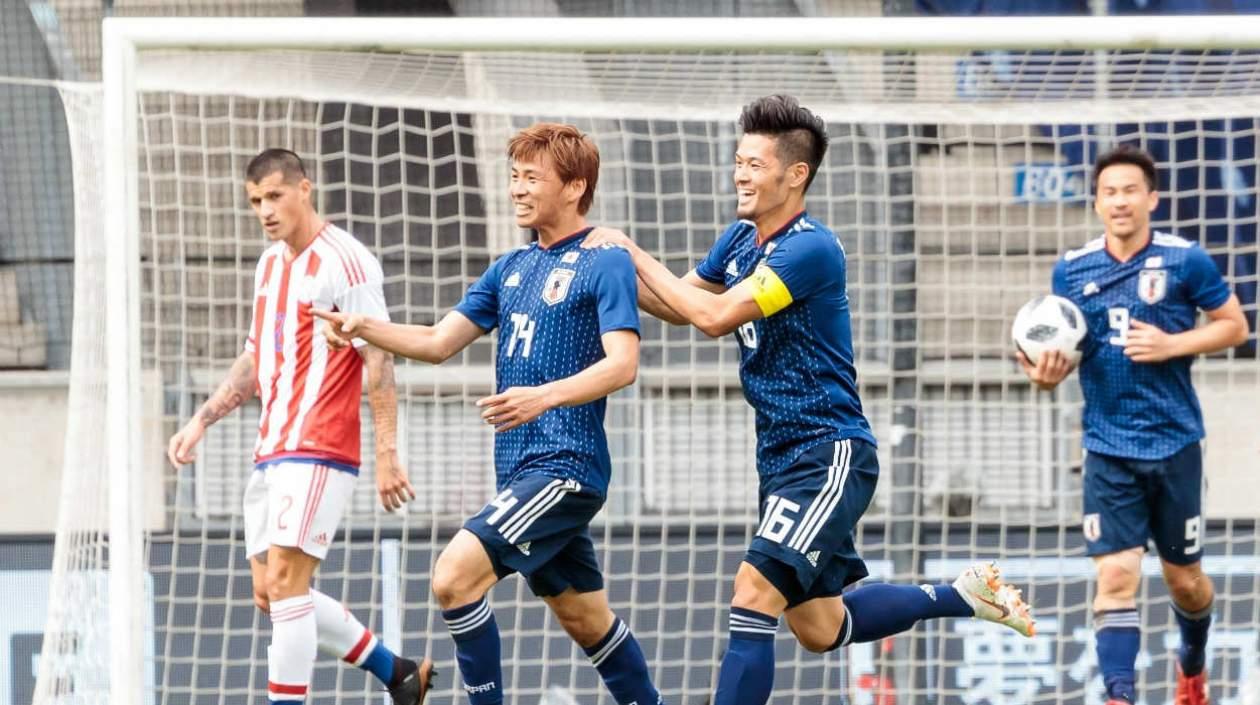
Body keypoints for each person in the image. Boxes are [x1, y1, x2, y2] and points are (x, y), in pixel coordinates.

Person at [583, 94, 1034, 705]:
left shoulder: (809, 248)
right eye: (738, 161)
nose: (740, 174)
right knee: (821, 628)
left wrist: (629, 249)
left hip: (830, 452)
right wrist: (603, 269)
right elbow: (678, 304)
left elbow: (713, 317)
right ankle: (962, 594)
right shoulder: (740, 239)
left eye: (754, 164)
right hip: (781, 458)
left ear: (795, 174)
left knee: (752, 591)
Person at [314, 123, 663, 705]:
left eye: (533, 178)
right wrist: (362, 328)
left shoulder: (604, 260)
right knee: (586, 620)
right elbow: (435, 341)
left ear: (575, 187)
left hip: (565, 468)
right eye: (514, 178)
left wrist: (543, 395)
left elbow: (623, 364)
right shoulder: (510, 268)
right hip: (522, 471)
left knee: (452, 577)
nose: (518, 190)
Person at [166, 148, 431, 705]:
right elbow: (254, 358)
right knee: (271, 593)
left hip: (321, 446)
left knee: (288, 585)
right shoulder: (268, 266)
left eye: (274, 196)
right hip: (273, 446)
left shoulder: (346, 261)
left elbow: (379, 357)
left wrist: (387, 450)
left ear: (304, 189)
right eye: (256, 201)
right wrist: (202, 420)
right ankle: (399, 673)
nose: (265, 210)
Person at [1018, 144, 1249, 705]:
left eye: (1129, 191)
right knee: (1115, 577)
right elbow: (1057, 352)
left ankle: (1191, 668)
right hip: (1107, 447)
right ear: (1096, 202)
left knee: (1185, 583)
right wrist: (1044, 378)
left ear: (1151, 198)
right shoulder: (1072, 270)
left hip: (1175, 445)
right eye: (1108, 192)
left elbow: (1234, 326)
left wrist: (1175, 343)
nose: (1119, 202)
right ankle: (1120, 695)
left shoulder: (1185, 260)